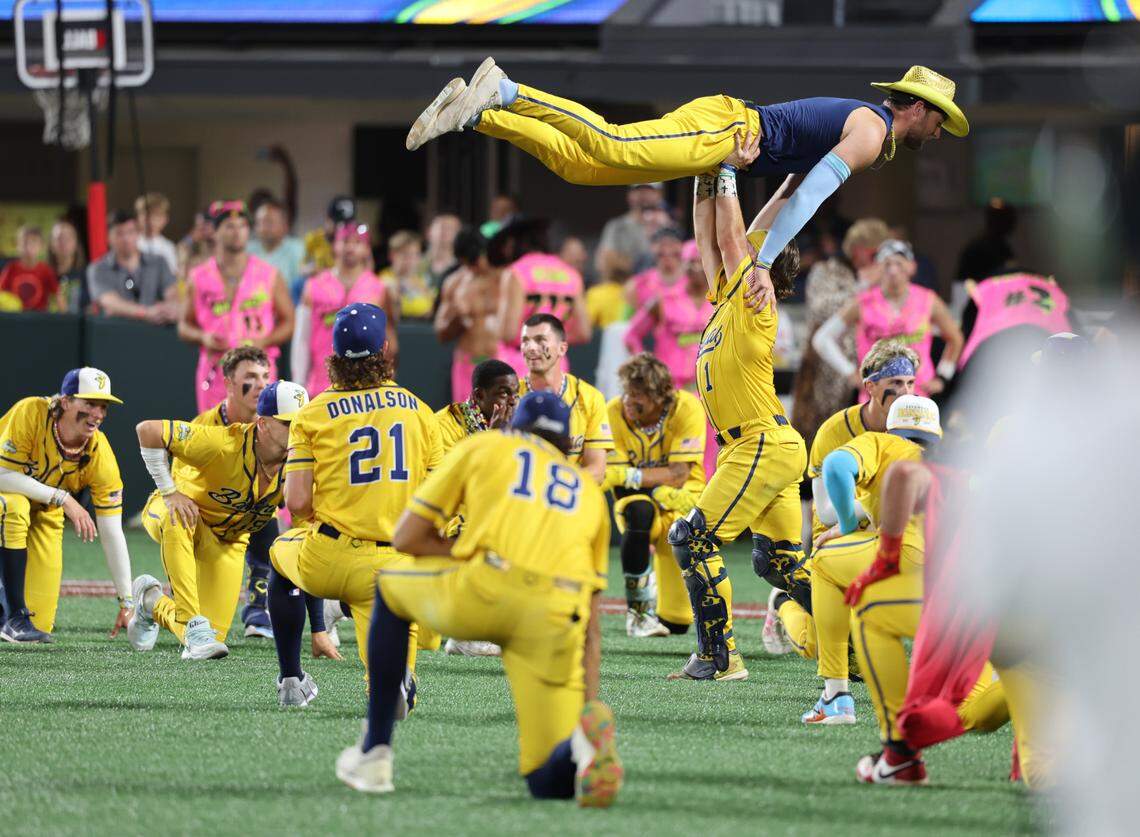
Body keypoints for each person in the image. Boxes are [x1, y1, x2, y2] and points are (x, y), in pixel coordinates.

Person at [410, 60, 966, 310]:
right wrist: (765, 266)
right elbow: (814, 196)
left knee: (585, 169)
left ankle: (477, 115)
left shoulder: (866, 131)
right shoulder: (871, 131)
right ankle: (507, 90)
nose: (940, 133)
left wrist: (746, 249)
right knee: (610, 143)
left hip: (726, 139)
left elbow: (790, 193)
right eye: (941, 120)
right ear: (918, 108)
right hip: (728, 127)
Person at [337, 391, 622, 807]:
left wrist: (467, 552)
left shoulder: (488, 444)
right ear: (567, 446)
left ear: (515, 426)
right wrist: (590, 707)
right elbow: (592, 626)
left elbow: (407, 537)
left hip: (488, 587)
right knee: (546, 781)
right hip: (557, 615)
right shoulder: (587, 492)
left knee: (389, 586)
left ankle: (374, 753)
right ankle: (581, 749)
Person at [666, 132, 805, 682]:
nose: (737, 252)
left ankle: (718, 658)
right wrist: (705, 172)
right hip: (758, 446)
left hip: (760, 444)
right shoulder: (729, 297)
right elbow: (713, 232)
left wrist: (727, 168)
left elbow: (730, 236)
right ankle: (861, 635)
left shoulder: (753, 294)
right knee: (777, 563)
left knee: (692, 536)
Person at [815, 396, 1004, 782]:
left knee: (832, 572)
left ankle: (840, 697)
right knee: (978, 707)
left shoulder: (883, 443)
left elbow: (836, 466)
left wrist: (850, 525)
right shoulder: (960, 463)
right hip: (986, 587)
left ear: (891, 427)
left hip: (912, 561)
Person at [268, 304, 441, 705]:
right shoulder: (419, 411)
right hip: (396, 567)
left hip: (330, 557)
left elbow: (296, 502)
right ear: (384, 348)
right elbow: (440, 502)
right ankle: (391, 682)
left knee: (280, 555)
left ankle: (291, 681)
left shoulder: (311, 413)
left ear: (334, 353)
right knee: (390, 680)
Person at [129, 380, 308, 661]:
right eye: (288, 423)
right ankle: (191, 624)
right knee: (179, 519)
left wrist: (320, 627)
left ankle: (150, 602)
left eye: (302, 422)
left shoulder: (301, 460)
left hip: (230, 540)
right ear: (262, 423)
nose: (298, 430)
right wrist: (169, 491)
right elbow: (148, 431)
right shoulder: (224, 444)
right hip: (181, 515)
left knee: (214, 636)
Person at [766, 339, 919, 658]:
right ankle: (783, 602)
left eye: (910, 383)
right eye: (895, 383)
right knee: (817, 645)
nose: (906, 393)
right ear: (871, 387)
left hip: (890, 531)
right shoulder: (833, 432)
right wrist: (882, 508)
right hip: (840, 536)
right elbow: (827, 510)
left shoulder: (918, 422)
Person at [182, 347, 332, 648]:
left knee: (274, 530)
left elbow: (306, 530)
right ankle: (164, 600)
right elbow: (159, 445)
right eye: (251, 376)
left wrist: (318, 627)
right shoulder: (207, 428)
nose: (261, 383)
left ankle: (259, 606)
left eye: (266, 375)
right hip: (206, 516)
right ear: (228, 383)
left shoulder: (286, 436)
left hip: (254, 510)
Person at [0, 368, 133, 643]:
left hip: (44, 515)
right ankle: (13, 616)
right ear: (65, 401)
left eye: (103, 406)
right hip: (7, 500)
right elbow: (2, 475)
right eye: (90, 403)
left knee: (41, 624)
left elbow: (111, 531)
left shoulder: (99, 452)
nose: (98, 413)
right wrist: (62, 497)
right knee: (14, 508)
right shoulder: (32, 412)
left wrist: (127, 602)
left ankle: (11, 612)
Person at [604, 354, 703, 638]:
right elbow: (619, 482)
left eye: (637, 396)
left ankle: (666, 598)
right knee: (639, 512)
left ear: (661, 397)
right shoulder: (613, 413)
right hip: (639, 501)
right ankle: (639, 613)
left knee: (677, 624)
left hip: (682, 501)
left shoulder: (686, 408)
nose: (627, 401)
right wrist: (645, 482)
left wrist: (632, 475)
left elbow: (679, 474)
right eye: (626, 392)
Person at [427, 357, 519, 657]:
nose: (512, 401)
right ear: (479, 395)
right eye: (504, 393)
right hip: (437, 523)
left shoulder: (513, 427)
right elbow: (454, 487)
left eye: (515, 393)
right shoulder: (445, 426)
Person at [178, 201, 295, 414]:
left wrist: (264, 341)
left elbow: (289, 321)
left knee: (262, 436)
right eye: (230, 226)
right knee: (214, 438)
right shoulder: (199, 277)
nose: (237, 232)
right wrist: (203, 337)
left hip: (259, 372)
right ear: (215, 231)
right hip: (216, 373)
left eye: (242, 226)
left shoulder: (268, 274)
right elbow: (184, 325)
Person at [814, 239, 963, 398]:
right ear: (877, 268)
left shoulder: (927, 300)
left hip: (917, 396)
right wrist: (849, 372)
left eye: (899, 263)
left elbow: (955, 339)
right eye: (887, 264)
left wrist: (942, 378)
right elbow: (822, 339)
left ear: (912, 267)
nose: (893, 270)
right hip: (875, 398)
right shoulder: (862, 303)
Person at [791, 217, 889, 449]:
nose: (879, 262)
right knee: (821, 438)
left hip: (866, 371)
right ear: (858, 250)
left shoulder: (885, 277)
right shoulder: (826, 270)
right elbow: (821, 306)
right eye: (874, 254)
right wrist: (862, 288)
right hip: (825, 372)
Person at [292, 222, 394, 398]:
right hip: (320, 383)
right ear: (334, 245)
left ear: (367, 248)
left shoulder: (378, 287)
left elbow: (388, 337)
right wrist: (299, 382)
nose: (350, 248)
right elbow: (301, 338)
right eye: (345, 241)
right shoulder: (314, 285)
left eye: (358, 242)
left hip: (364, 385)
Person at [516, 313, 612, 484]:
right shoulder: (509, 396)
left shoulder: (590, 398)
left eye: (540, 340)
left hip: (569, 500)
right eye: (525, 341)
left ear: (562, 348)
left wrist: (550, 486)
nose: (531, 347)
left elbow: (597, 471)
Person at [494, 218, 591, 378]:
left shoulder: (516, 272)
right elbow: (584, 333)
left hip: (519, 365)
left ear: (515, 243)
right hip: (556, 366)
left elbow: (508, 333)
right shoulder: (571, 274)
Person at [623, 238, 712, 392]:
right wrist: (648, 369)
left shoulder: (722, 300)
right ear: (682, 265)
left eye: (701, 262)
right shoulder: (663, 299)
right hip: (672, 388)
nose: (696, 267)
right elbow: (631, 335)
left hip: (710, 388)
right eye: (691, 262)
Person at [434, 226, 512, 402]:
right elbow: (441, 333)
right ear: (462, 261)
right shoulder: (455, 283)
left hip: (503, 363)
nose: (477, 266)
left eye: (478, 258)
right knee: (466, 424)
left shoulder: (508, 279)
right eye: (470, 262)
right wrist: (458, 315)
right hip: (467, 365)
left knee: (505, 422)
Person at [87, 210, 179, 323]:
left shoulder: (159, 262)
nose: (126, 239)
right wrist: (146, 313)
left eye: (131, 232)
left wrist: (169, 309)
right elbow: (110, 301)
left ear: (138, 234)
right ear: (108, 237)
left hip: (155, 331)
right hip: (115, 332)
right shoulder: (98, 268)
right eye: (119, 233)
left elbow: (172, 293)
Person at [248, 197, 306, 304]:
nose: (263, 228)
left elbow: (300, 289)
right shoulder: (247, 249)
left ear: (284, 226)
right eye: (259, 223)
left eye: (269, 222)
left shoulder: (298, 249)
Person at [595, 184, 661, 275]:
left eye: (649, 190)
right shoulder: (617, 226)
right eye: (639, 190)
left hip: (660, 286)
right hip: (626, 283)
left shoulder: (669, 226)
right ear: (630, 195)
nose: (644, 195)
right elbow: (602, 263)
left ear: (659, 194)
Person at [0, 225, 60, 312]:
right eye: (24, 243)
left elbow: (58, 296)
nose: (28, 248)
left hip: (39, 319)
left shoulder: (46, 270)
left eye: (33, 243)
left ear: (41, 246)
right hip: (15, 319)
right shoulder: (11, 268)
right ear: (18, 246)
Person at [381, 230, 434, 319]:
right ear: (392, 255)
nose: (411, 260)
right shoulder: (384, 279)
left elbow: (430, 310)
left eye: (415, 254)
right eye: (405, 254)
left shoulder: (423, 279)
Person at [303, 195, 356, 277]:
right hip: (319, 283)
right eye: (337, 223)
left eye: (346, 225)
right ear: (327, 220)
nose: (341, 229)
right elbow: (303, 269)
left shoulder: (356, 243)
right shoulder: (314, 239)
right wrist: (314, 270)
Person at [48, 219, 87, 313]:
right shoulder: (43, 274)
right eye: (59, 238)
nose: (64, 242)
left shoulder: (87, 275)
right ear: (51, 245)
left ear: (76, 243)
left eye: (69, 237)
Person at [135, 192, 179, 276]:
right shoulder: (132, 244)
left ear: (165, 219)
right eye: (146, 215)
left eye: (156, 216)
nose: (150, 220)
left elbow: (172, 275)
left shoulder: (168, 247)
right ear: (138, 217)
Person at [422, 212, 461, 292]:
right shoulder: (414, 264)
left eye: (450, 228)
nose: (444, 232)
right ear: (428, 232)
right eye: (441, 227)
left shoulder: (463, 270)